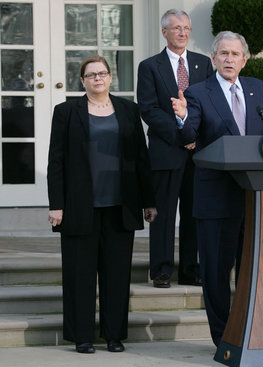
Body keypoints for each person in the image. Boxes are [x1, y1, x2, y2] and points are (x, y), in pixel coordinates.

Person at [47, 55, 157, 354]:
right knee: (79, 274)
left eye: (103, 73)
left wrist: (148, 201)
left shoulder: (128, 110)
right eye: (91, 74)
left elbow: (141, 158)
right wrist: (56, 204)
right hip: (78, 206)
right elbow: (56, 160)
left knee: (116, 275)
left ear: (110, 78)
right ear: (82, 80)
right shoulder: (66, 111)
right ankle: (81, 336)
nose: (98, 78)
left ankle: (114, 335)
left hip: (121, 205)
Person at [171, 31, 263, 346]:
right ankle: (223, 337)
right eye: (223, 54)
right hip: (215, 198)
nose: (229, 59)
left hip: (255, 196)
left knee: (251, 269)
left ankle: (249, 330)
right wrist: (182, 117)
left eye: (235, 54)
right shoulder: (200, 93)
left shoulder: (258, 89)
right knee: (216, 273)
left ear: (244, 59)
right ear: (213, 58)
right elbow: (189, 134)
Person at [137, 9, 213, 288]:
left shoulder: (203, 64)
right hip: (166, 151)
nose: (182, 33)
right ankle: (161, 270)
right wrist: (181, 134)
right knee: (164, 215)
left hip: (198, 154)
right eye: (176, 28)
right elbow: (149, 109)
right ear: (164, 32)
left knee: (195, 213)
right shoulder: (149, 66)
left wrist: (193, 133)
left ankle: (190, 270)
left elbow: (208, 105)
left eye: (186, 28)